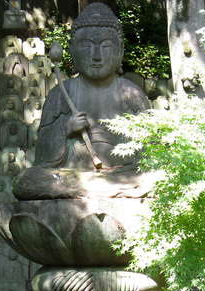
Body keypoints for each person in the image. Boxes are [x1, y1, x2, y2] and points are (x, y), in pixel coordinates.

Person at [34, 3, 149, 170]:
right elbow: (42, 156)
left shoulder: (131, 94)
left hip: (122, 174)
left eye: (106, 46)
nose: (96, 56)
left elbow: (150, 152)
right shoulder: (61, 94)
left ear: (120, 50)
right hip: (74, 175)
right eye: (87, 46)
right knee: (32, 178)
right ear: (72, 51)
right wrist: (66, 128)